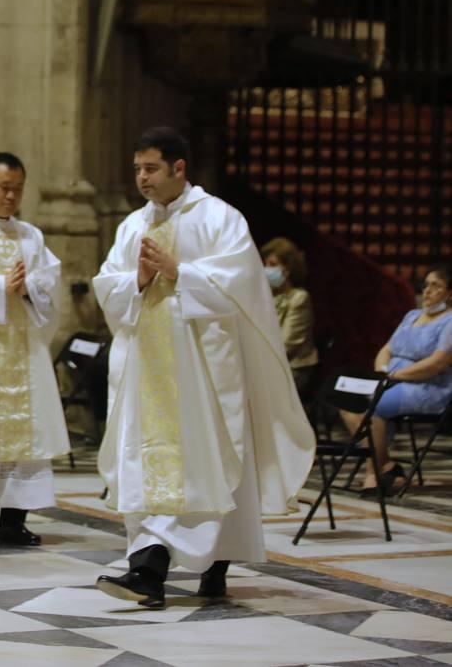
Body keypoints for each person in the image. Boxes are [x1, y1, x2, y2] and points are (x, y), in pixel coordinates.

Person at [92, 127, 313, 607]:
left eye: (150, 169)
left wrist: (180, 271)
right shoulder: (132, 226)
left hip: (202, 373)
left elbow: (245, 288)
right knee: (144, 464)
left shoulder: (220, 218)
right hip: (145, 374)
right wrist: (138, 278)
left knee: (206, 465)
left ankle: (213, 564)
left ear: (179, 168)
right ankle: (146, 568)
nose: (142, 179)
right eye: (137, 169)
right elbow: (106, 286)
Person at [0, 152, 69, 546]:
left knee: (27, 438)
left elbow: (50, 286)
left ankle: (13, 523)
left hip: (23, 349)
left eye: (17, 189)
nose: (10, 196)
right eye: (4, 187)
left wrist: (28, 289)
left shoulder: (31, 236)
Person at [338, 264, 452, 497]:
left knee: (373, 405)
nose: (428, 290)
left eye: (436, 286)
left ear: (450, 294)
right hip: (390, 378)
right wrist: (382, 370)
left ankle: (373, 474)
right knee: (346, 400)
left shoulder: (449, 321)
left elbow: (438, 363)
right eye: (427, 284)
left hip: (426, 385)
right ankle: (386, 465)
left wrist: (395, 375)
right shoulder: (412, 315)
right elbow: (387, 349)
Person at [259, 237, 319, 394]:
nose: (266, 269)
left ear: (288, 269)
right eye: (265, 264)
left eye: (272, 265)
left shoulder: (299, 298)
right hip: (267, 362)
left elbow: (286, 346)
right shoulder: (264, 295)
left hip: (294, 367)